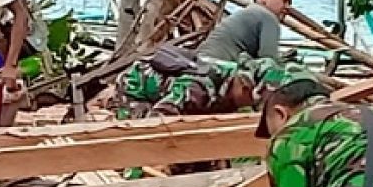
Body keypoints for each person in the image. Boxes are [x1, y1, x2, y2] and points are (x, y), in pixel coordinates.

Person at [112, 50, 284, 120]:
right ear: (244, 87)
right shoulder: (197, 88)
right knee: (137, 141)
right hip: (134, 88)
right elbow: (159, 116)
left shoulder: (232, 88)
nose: (250, 105)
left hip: (178, 97)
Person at [198, 0, 296, 64]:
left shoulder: (249, 13)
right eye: (284, 0)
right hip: (218, 67)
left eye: (290, 2)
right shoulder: (269, 18)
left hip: (201, 62)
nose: (288, 6)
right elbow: (269, 62)